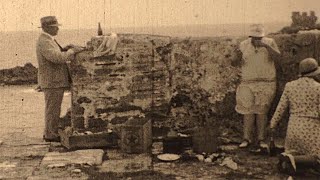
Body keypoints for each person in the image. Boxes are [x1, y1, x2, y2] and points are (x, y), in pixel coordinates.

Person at [36, 16, 83, 142]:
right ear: (46, 28)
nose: (57, 29)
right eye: (54, 27)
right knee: (52, 109)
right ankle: (50, 135)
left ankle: (50, 132)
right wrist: (71, 51)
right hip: (53, 82)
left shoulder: (48, 39)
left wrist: (65, 48)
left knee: (53, 108)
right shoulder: (44, 41)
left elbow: (56, 53)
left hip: (53, 81)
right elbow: (57, 58)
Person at [270, 58, 320, 174]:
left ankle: (289, 158)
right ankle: (296, 160)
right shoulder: (318, 88)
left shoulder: (290, 86)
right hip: (311, 128)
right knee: (317, 157)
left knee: (294, 150)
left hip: (293, 127)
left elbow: (280, 108)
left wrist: (273, 124)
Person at [236, 24, 281, 148]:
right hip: (247, 82)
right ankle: (246, 139)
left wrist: (266, 46)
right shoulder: (243, 45)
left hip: (266, 82)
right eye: (254, 38)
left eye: (259, 37)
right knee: (247, 111)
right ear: (250, 37)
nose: (257, 40)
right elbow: (236, 62)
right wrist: (236, 56)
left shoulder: (270, 42)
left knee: (262, 111)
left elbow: (278, 57)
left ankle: (261, 139)